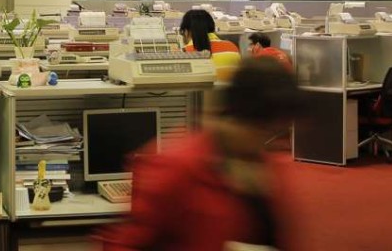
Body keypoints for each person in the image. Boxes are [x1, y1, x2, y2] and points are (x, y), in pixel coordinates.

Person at [98, 57, 305, 251]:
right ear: (239, 118)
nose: (267, 142)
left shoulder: (261, 167)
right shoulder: (176, 168)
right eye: (265, 131)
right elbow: (124, 244)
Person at [179, 9, 242, 82]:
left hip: (204, 93)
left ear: (186, 32)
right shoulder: (232, 47)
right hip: (231, 93)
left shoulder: (184, 53)